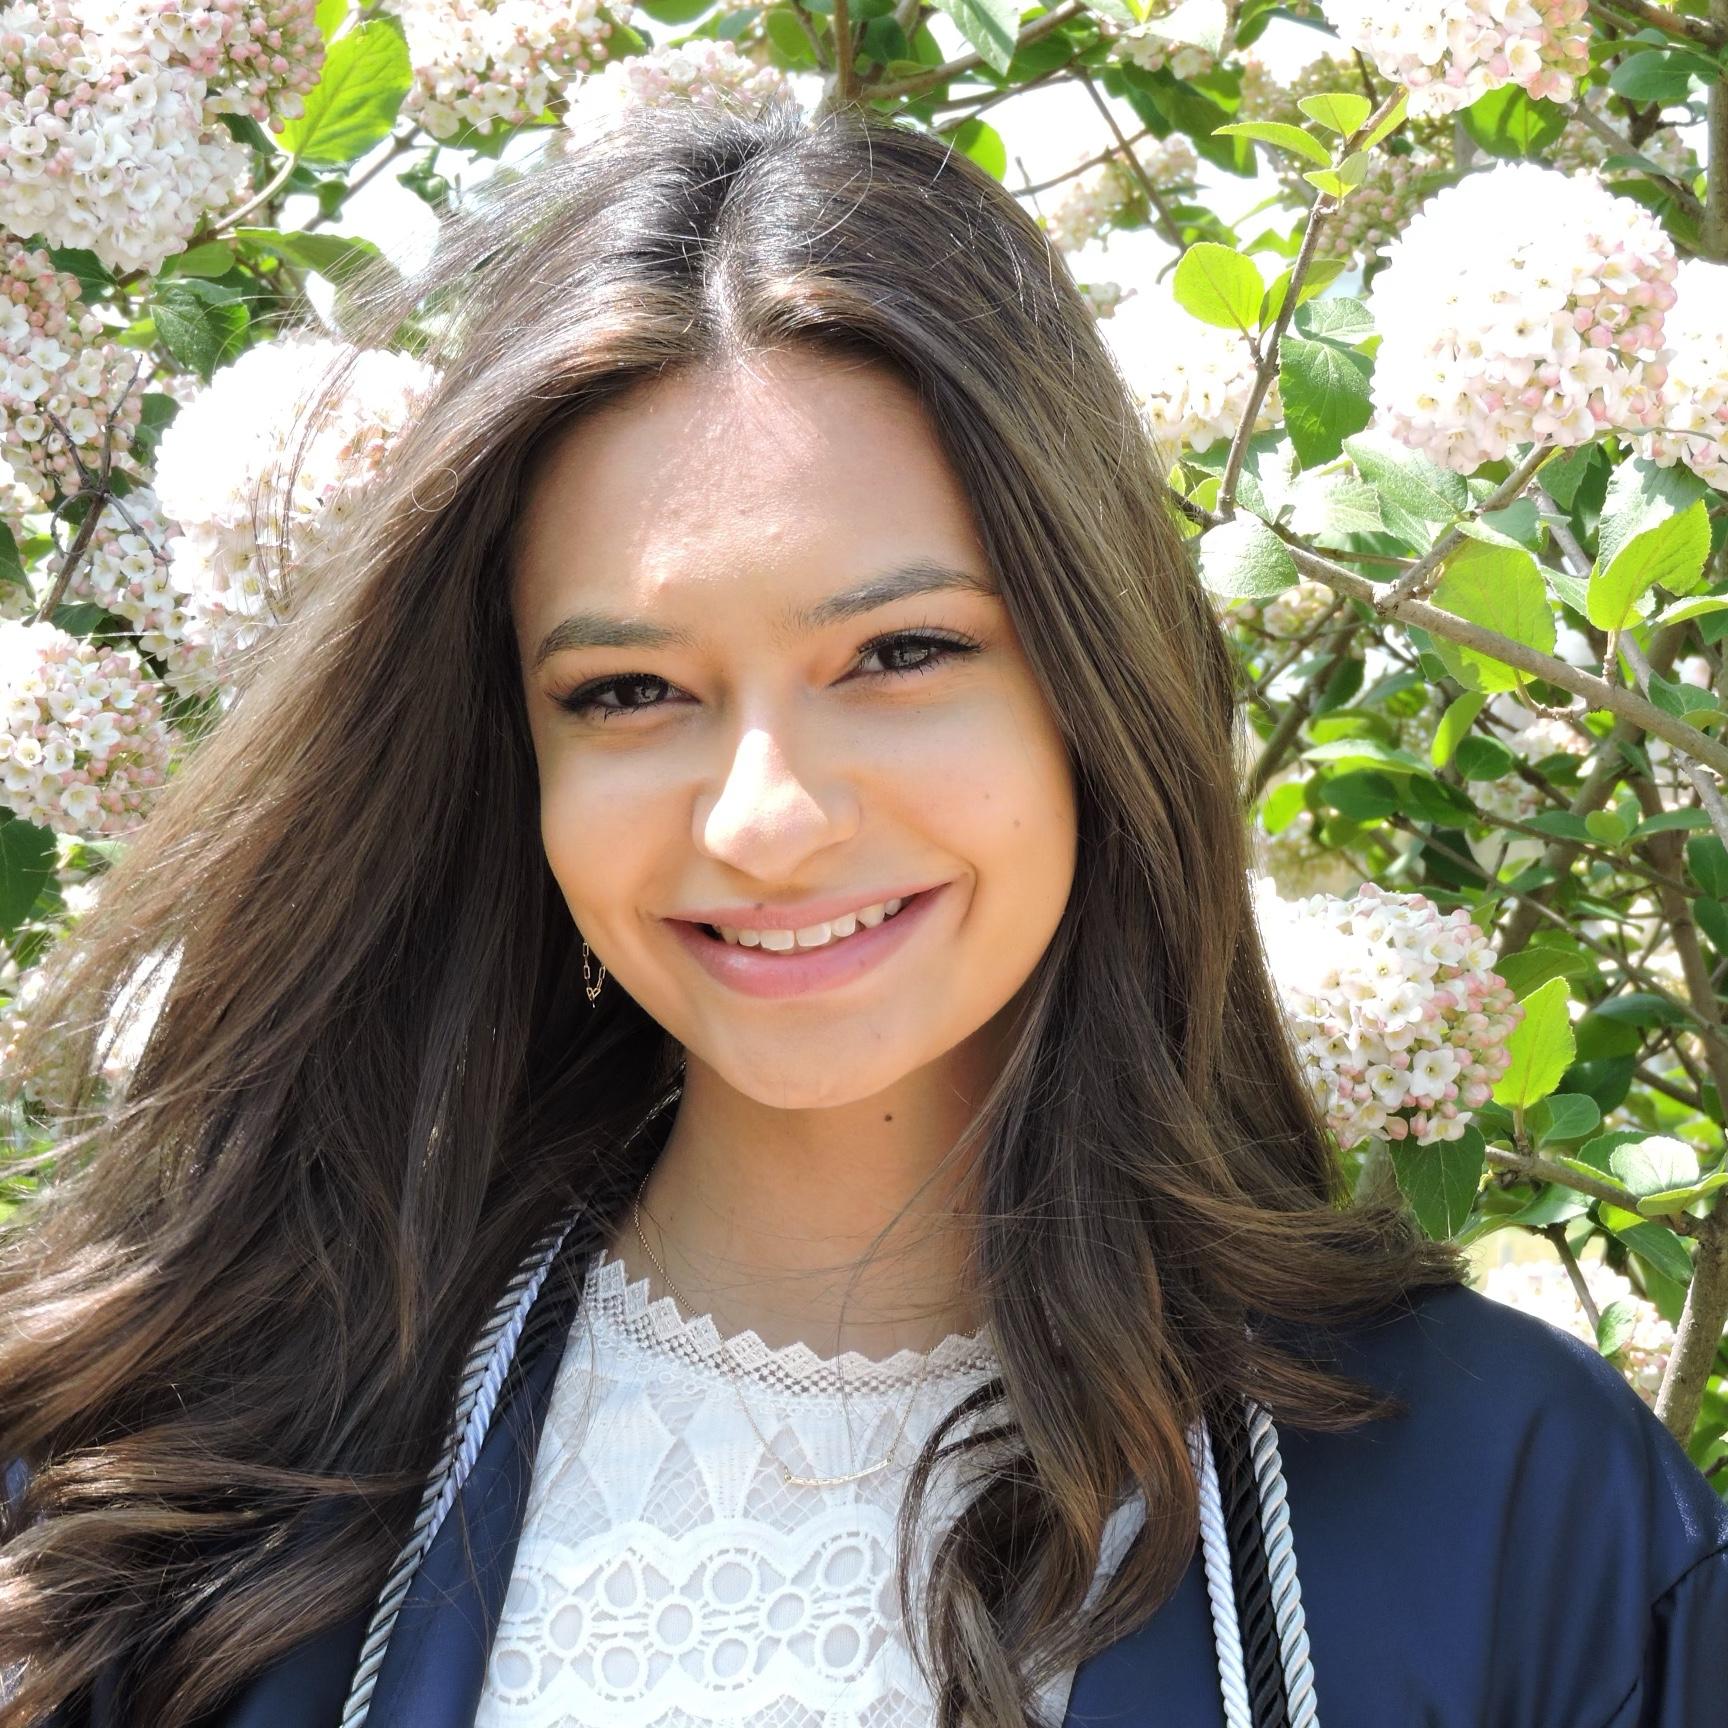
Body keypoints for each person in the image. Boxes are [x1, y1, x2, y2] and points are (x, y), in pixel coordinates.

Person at [1, 94, 1724, 1728]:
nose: (765, 821)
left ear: (1094, 688)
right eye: (626, 692)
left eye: (900, 653)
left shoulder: (1516, 1513)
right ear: (513, 759)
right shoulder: (168, 1483)